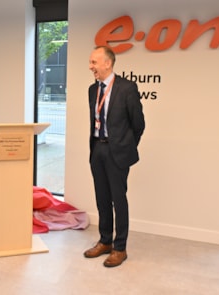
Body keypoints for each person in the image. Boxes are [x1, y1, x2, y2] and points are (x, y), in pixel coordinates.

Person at [83, 46, 145, 267]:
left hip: (117, 151)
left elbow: (139, 124)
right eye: (90, 63)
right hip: (97, 149)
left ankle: (120, 248)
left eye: (94, 62)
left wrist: (125, 146)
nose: (91, 67)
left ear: (107, 63)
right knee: (101, 198)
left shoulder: (127, 88)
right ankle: (105, 241)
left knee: (118, 200)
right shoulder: (92, 90)